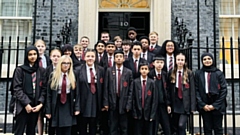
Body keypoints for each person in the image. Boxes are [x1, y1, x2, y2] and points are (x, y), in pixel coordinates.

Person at [13, 46, 46, 135]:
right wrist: (26, 104)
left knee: (31, 131)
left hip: (35, 106)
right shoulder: (20, 70)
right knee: (19, 131)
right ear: (26, 56)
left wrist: (40, 104)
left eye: (35, 54)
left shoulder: (41, 71)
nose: (32, 56)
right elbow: (17, 88)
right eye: (30, 54)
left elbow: (44, 89)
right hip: (23, 106)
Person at [45, 55, 80, 135]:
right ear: (60, 63)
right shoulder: (53, 75)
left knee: (68, 129)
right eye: (64, 63)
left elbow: (77, 93)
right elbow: (49, 94)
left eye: (68, 63)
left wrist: (77, 108)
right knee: (58, 129)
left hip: (68, 103)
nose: (66, 65)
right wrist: (48, 111)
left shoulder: (74, 74)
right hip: (57, 103)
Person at [195, 53, 227, 135]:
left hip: (217, 105)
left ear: (212, 60)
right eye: (204, 59)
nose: (207, 61)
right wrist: (203, 105)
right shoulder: (198, 73)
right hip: (204, 104)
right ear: (202, 61)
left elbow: (223, 90)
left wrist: (215, 105)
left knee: (218, 128)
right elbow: (196, 90)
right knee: (207, 129)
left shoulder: (218, 73)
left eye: (209, 59)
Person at [103, 50, 133, 135]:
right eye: (117, 57)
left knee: (124, 127)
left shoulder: (128, 72)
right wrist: (106, 102)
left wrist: (129, 104)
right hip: (112, 101)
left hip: (124, 102)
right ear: (114, 59)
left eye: (120, 57)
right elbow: (106, 87)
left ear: (124, 59)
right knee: (113, 126)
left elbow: (131, 90)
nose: (119, 58)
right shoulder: (109, 71)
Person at [77, 49, 105, 135]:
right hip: (84, 97)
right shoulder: (78, 70)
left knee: (94, 122)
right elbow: (77, 88)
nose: (90, 58)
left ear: (95, 58)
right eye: (88, 56)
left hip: (95, 98)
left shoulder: (101, 70)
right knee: (83, 123)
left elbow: (104, 87)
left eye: (92, 56)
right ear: (84, 57)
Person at [168, 53, 196, 135]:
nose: (180, 62)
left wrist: (192, 106)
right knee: (175, 126)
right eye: (178, 60)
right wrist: (168, 104)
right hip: (175, 102)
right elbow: (169, 90)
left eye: (182, 60)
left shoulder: (189, 73)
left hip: (184, 103)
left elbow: (192, 91)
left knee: (181, 125)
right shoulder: (171, 72)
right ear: (175, 61)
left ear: (185, 61)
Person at [132, 62, 157, 135]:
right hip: (138, 112)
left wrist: (152, 115)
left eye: (146, 69)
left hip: (148, 113)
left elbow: (154, 100)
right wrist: (134, 112)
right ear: (139, 70)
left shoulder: (152, 83)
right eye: (142, 69)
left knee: (148, 132)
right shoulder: (135, 82)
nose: (144, 71)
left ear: (148, 71)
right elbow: (133, 98)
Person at [148, 56, 171, 135]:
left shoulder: (165, 75)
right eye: (157, 62)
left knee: (166, 126)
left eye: (161, 62)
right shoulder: (150, 74)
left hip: (163, 104)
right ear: (153, 63)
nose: (159, 64)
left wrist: (168, 104)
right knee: (153, 126)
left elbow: (168, 90)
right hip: (153, 105)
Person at [34, 39, 51, 135]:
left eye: (42, 46)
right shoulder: (33, 58)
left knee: (47, 112)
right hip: (37, 88)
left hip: (47, 87)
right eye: (38, 46)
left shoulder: (48, 59)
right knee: (38, 115)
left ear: (45, 48)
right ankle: (39, 132)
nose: (40, 48)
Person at [45, 49, 62, 135]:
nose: (56, 58)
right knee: (51, 125)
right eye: (54, 56)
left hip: (60, 100)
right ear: (50, 57)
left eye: (58, 56)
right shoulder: (47, 70)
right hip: (51, 101)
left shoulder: (63, 69)